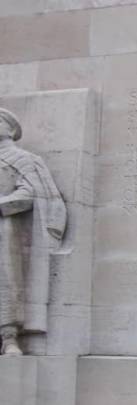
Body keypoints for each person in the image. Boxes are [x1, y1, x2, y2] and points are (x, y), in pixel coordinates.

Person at [0, 108, 67, 356]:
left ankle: (9, 338)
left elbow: (33, 193)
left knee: (6, 280)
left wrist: (3, 204)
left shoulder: (23, 159)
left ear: (10, 129)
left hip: (5, 229)